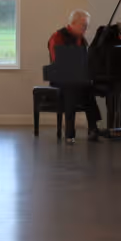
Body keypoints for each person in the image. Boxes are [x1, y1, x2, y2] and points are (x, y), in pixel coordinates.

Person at [45, 9, 100, 142]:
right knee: (72, 87)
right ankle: (70, 132)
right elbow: (57, 60)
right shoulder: (57, 37)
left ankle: (93, 128)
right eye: (83, 25)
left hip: (77, 77)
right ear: (73, 23)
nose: (86, 29)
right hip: (60, 76)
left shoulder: (81, 39)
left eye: (87, 25)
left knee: (88, 88)